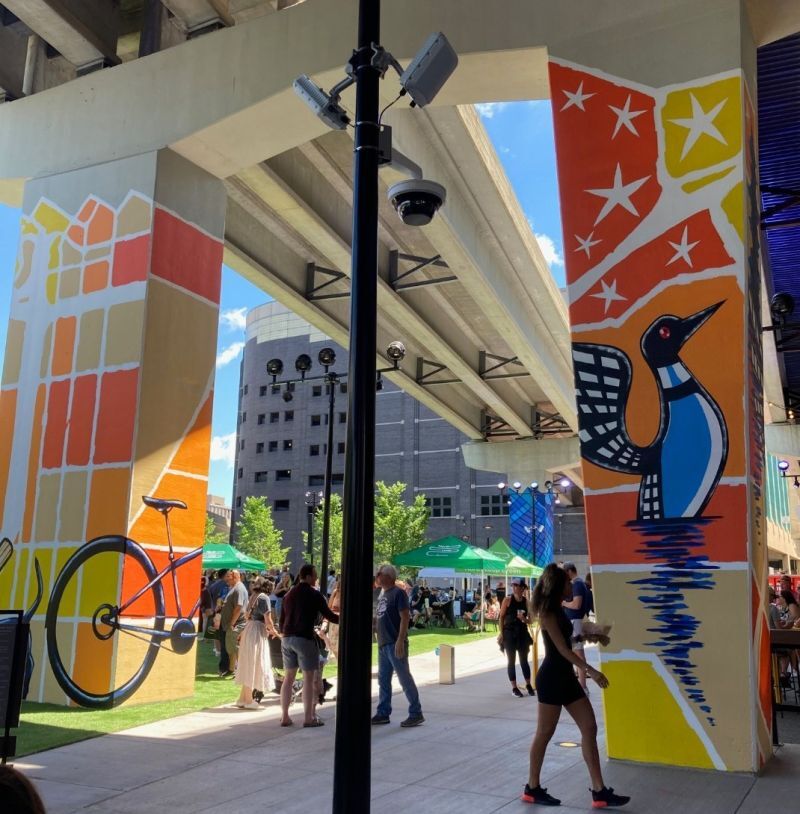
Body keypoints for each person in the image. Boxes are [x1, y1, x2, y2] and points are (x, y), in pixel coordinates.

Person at [522, 563, 629, 808]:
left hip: (566, 678)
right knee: (544, 733)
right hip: (551, 679)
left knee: (589, 727)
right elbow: (560, 649)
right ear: (558, 586)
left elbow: (567, 641)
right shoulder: (547, 612)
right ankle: (532, 787)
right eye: (568, 582)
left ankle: (599, 791)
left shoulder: (559, 610)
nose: (572, 585)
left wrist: (590, 635)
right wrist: (590, 670)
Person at [279, 564, 339, 727]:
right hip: (304, 638)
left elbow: (282, 620)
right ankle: (308, 718)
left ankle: (284, 716)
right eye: (314, 575)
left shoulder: (289, 594)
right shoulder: (315, 594)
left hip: (287, 638)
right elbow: (330, 616)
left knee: (288, 678)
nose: (316, 578)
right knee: (308, 678)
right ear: (308, 576)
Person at [371, 564, 424, 727]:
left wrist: (401, 640)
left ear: (388, 577)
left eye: (379, 573)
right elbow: (381, 617)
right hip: (383, 643)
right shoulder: (382, 594)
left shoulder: (398, 593)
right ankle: (383, 712)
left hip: (394, 643)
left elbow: (405, 617)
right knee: (383, 680)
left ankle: (416, 713)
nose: (377, 576)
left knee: (404, 678)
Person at [234, 579, 279, 709]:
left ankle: (242, 699)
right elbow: (268, 620)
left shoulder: (253, 596)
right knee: (254, 663)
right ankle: (249, 701)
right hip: (257, 631)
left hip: (249, 629)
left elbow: (248, 615)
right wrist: (275, 632)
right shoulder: (264, 598)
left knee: (248, 662)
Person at [498, 577, 535, 697]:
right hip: (509, 633)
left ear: (522, 588)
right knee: (511, 661)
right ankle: (514, 687)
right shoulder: (507, 600)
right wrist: (501, 633)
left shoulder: (526, 602)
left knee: (524, 660)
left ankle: (528, 684)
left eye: (516, 586)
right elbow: (501, 617)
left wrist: (524, 619)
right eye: (513, 585)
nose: (514, 588)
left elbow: (532, 620)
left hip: (522, 633)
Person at [561, 562, 589, 691]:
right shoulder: (579, 584)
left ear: (569, 571)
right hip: (574, 621)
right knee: (576, 653)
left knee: (578, 654)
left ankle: (583, 686)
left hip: (575, 621)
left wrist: (564, 603)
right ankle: (582, 685)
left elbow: (577, 605)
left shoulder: (577, 584)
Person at [218, 569, 248, 677]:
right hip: (232, 623)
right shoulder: (235, 587)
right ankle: (231, 669)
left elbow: (239, 607)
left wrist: (232, 623)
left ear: (235, 577)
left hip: (236, 624)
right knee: (232, 648)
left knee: (235, 648)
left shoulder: (239, 588)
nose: (226, 579)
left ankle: (240, 671)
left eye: (228, 577)